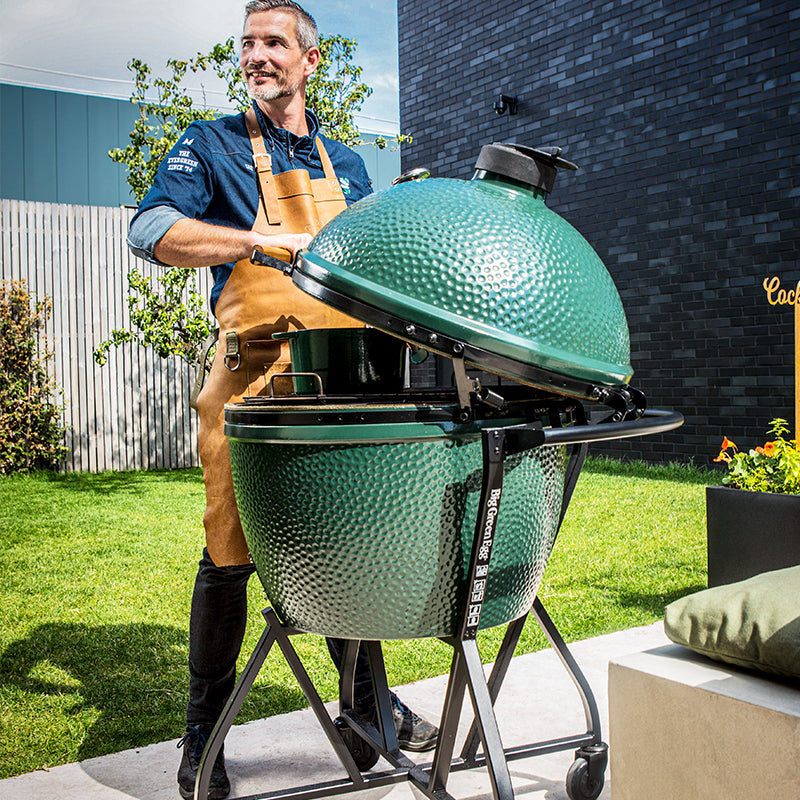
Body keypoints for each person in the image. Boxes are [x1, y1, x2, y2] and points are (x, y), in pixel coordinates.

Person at [127, 2, 438, 798]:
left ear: (310, 59)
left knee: (349, 550)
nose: (256, 56)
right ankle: (204, 734)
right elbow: (151, 230)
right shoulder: (211, 145)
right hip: (252, 384)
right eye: (248, 44)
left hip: (344, 384)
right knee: (228, 554)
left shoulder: (349, 165)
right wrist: (254, 241)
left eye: (273, 43)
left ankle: (366, 705)